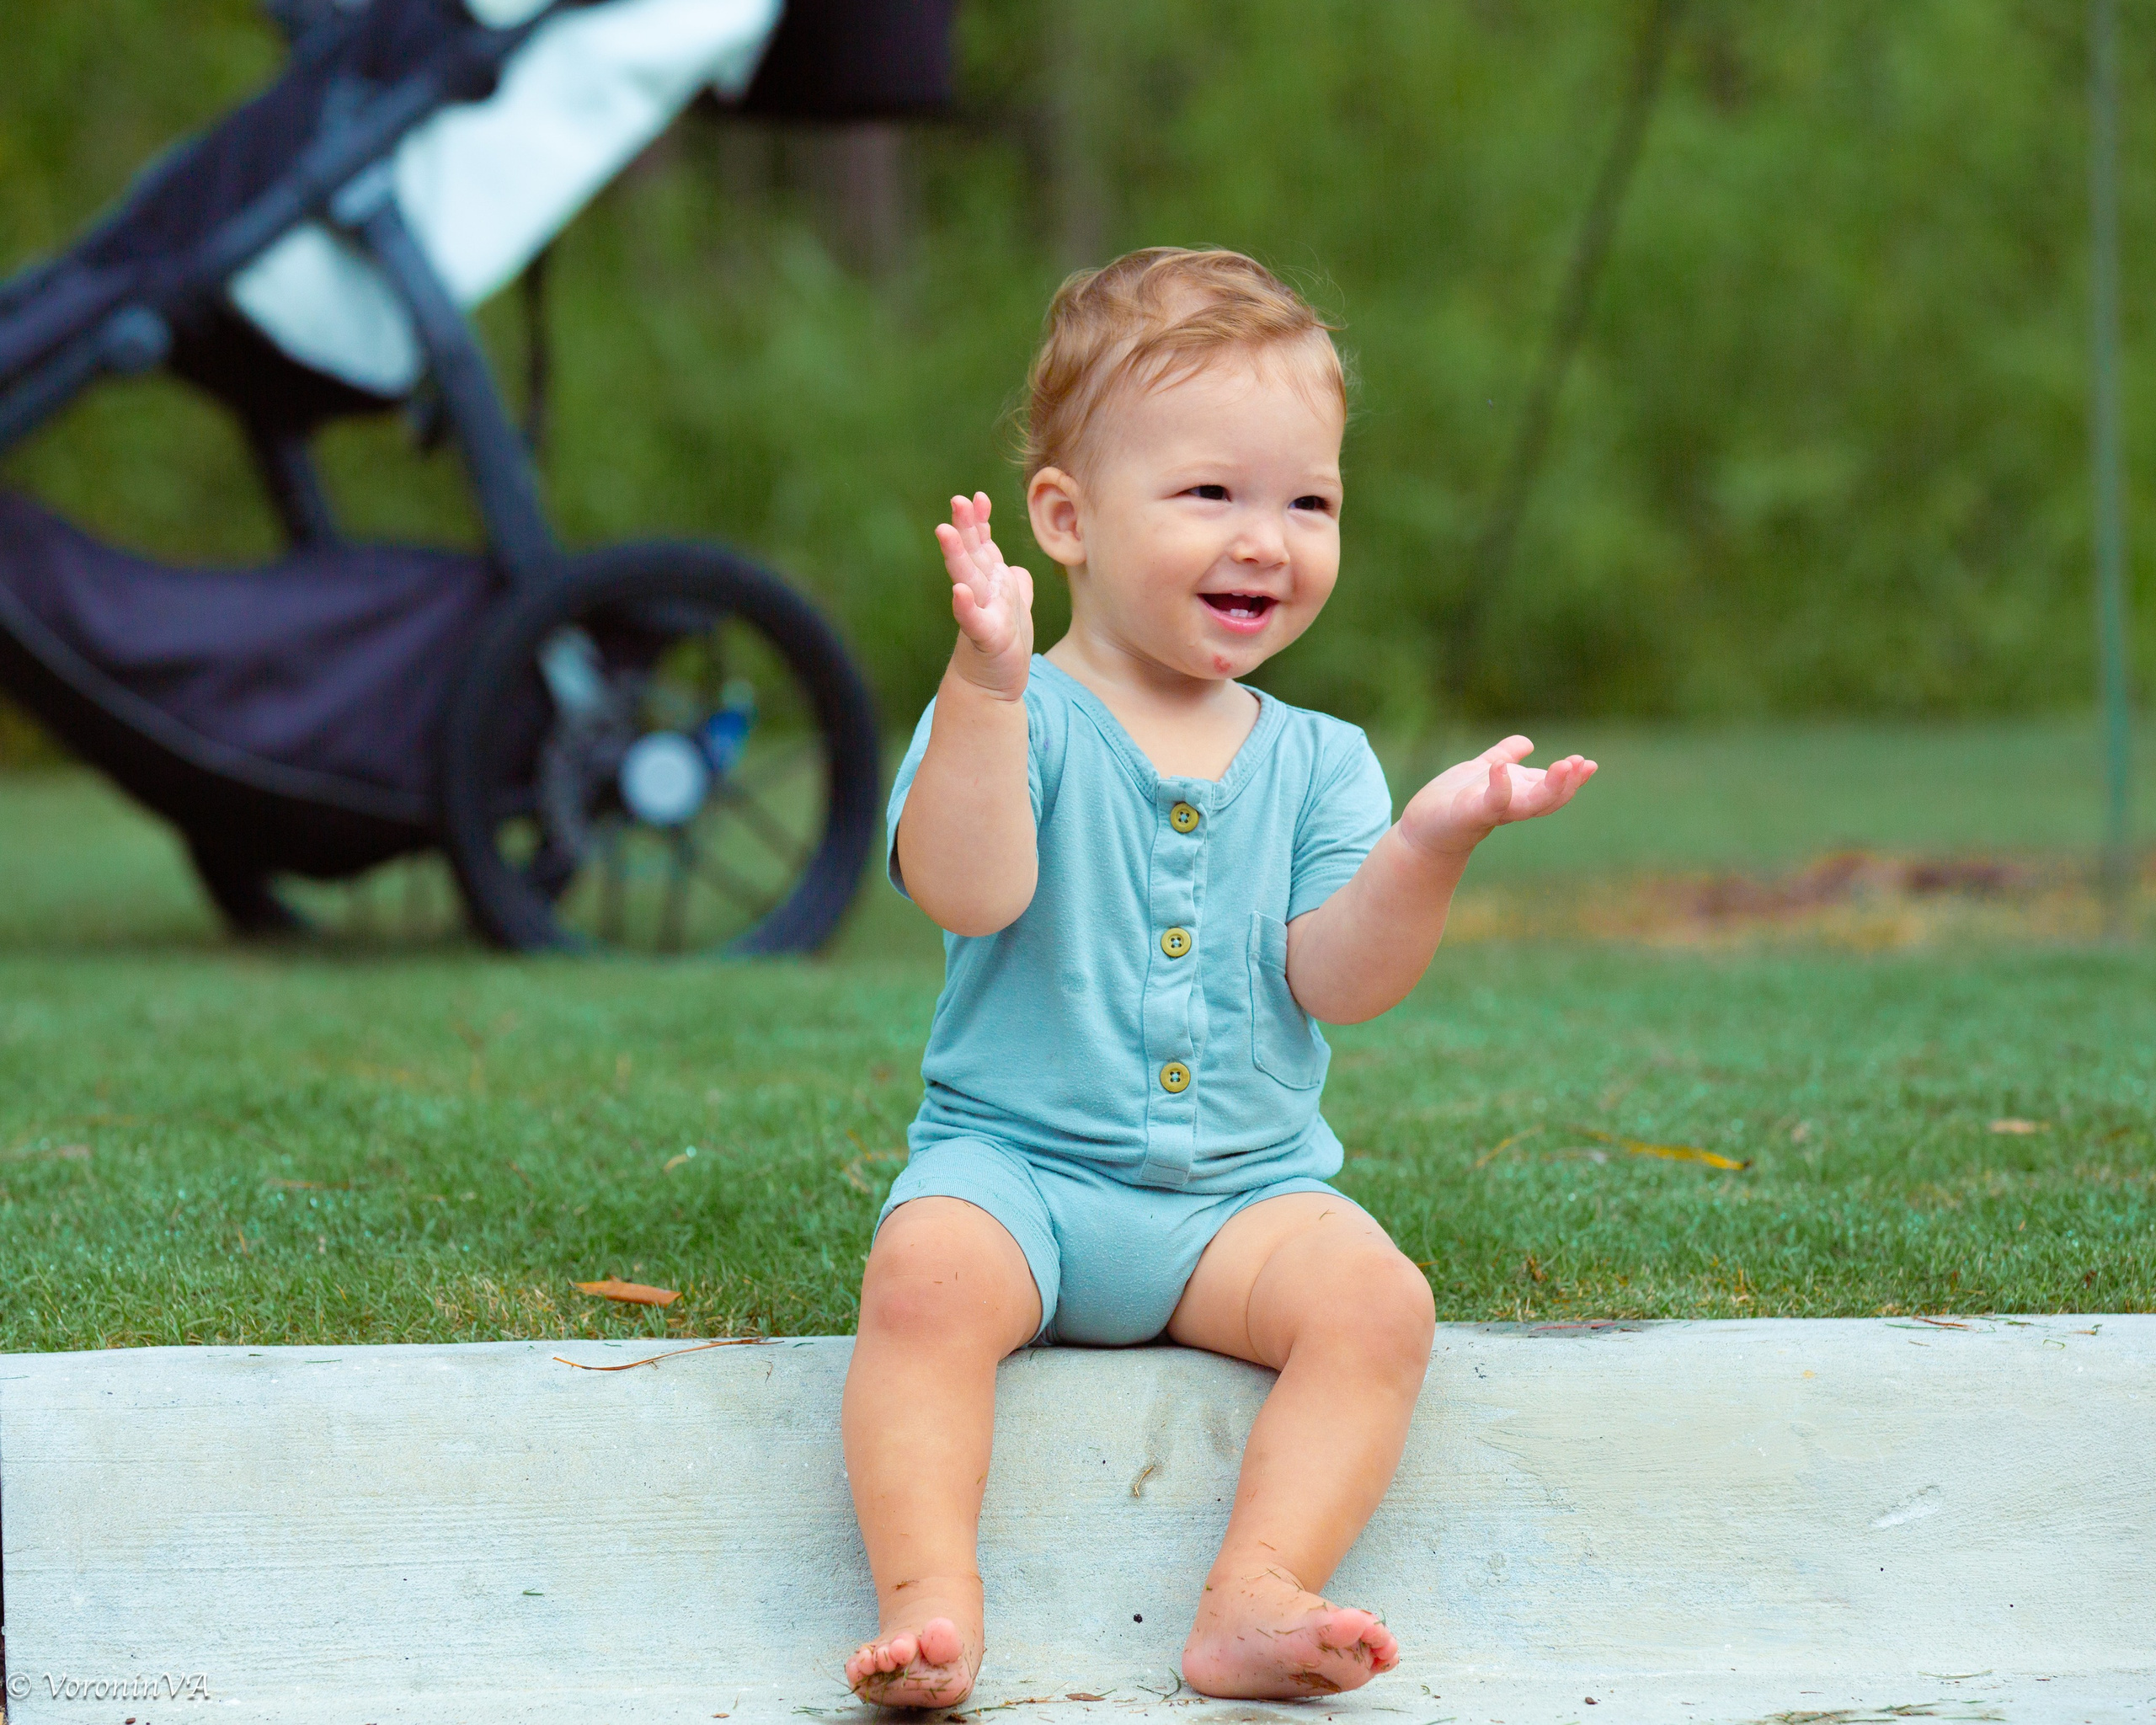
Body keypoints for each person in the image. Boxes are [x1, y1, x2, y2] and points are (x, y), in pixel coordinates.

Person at [842, 247, 1597, 1706]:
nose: (1267, 541)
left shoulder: (1321, 761)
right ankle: (929, 1605)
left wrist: (1429, 844)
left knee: (1379, 1306)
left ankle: (1257, 1592)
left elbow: (1341, 979)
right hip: (1018, 1178)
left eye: (1309, 503)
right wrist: (984, 689)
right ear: (1065, 519)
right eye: (1210, 494)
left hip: (1238, 1205)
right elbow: (968, 889)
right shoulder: (1014, 711)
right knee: (923, 1282)